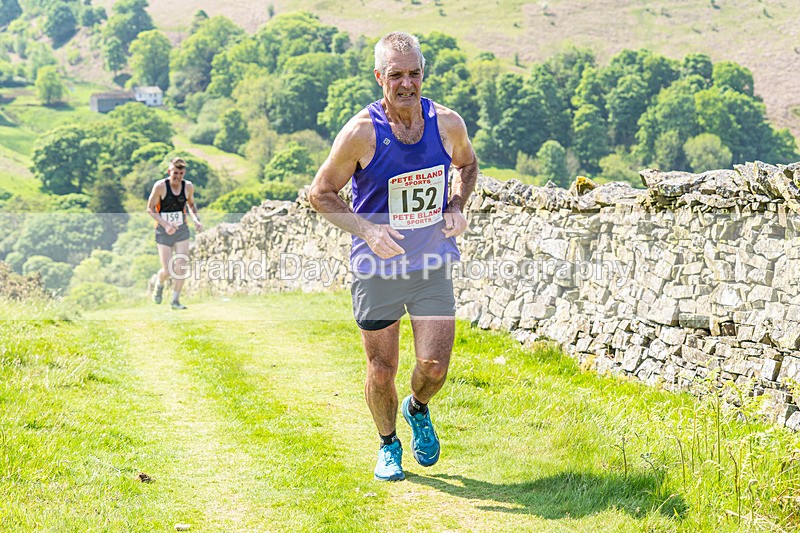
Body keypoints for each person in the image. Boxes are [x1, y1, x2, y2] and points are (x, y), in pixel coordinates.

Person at [309, 31, 478, 481]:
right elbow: (320, 194)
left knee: (434, 367)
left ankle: (417, 408)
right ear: (379, 76)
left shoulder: (447, 124)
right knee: (381, 369)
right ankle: (388, 445)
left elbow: (467, 165)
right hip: (377, 266)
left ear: (423, 74)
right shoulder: (361, 133)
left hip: (430, 262)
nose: (407, 83)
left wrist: (457, 206)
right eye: (396, 74)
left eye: (414, 73)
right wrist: (366, 228)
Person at [147, 157, 203, 310]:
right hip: (163, 232)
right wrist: (166, 225)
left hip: (181, 230)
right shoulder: (160, 187)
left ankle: (175, 301)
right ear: (169, 172)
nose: (178, 177)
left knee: (181, 266)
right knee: (168, 270)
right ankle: (160, 281)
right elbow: (150, 208)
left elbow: (191, 205)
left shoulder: (188, 187)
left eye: (181, 174)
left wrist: (196, 220)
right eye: (175, 173)